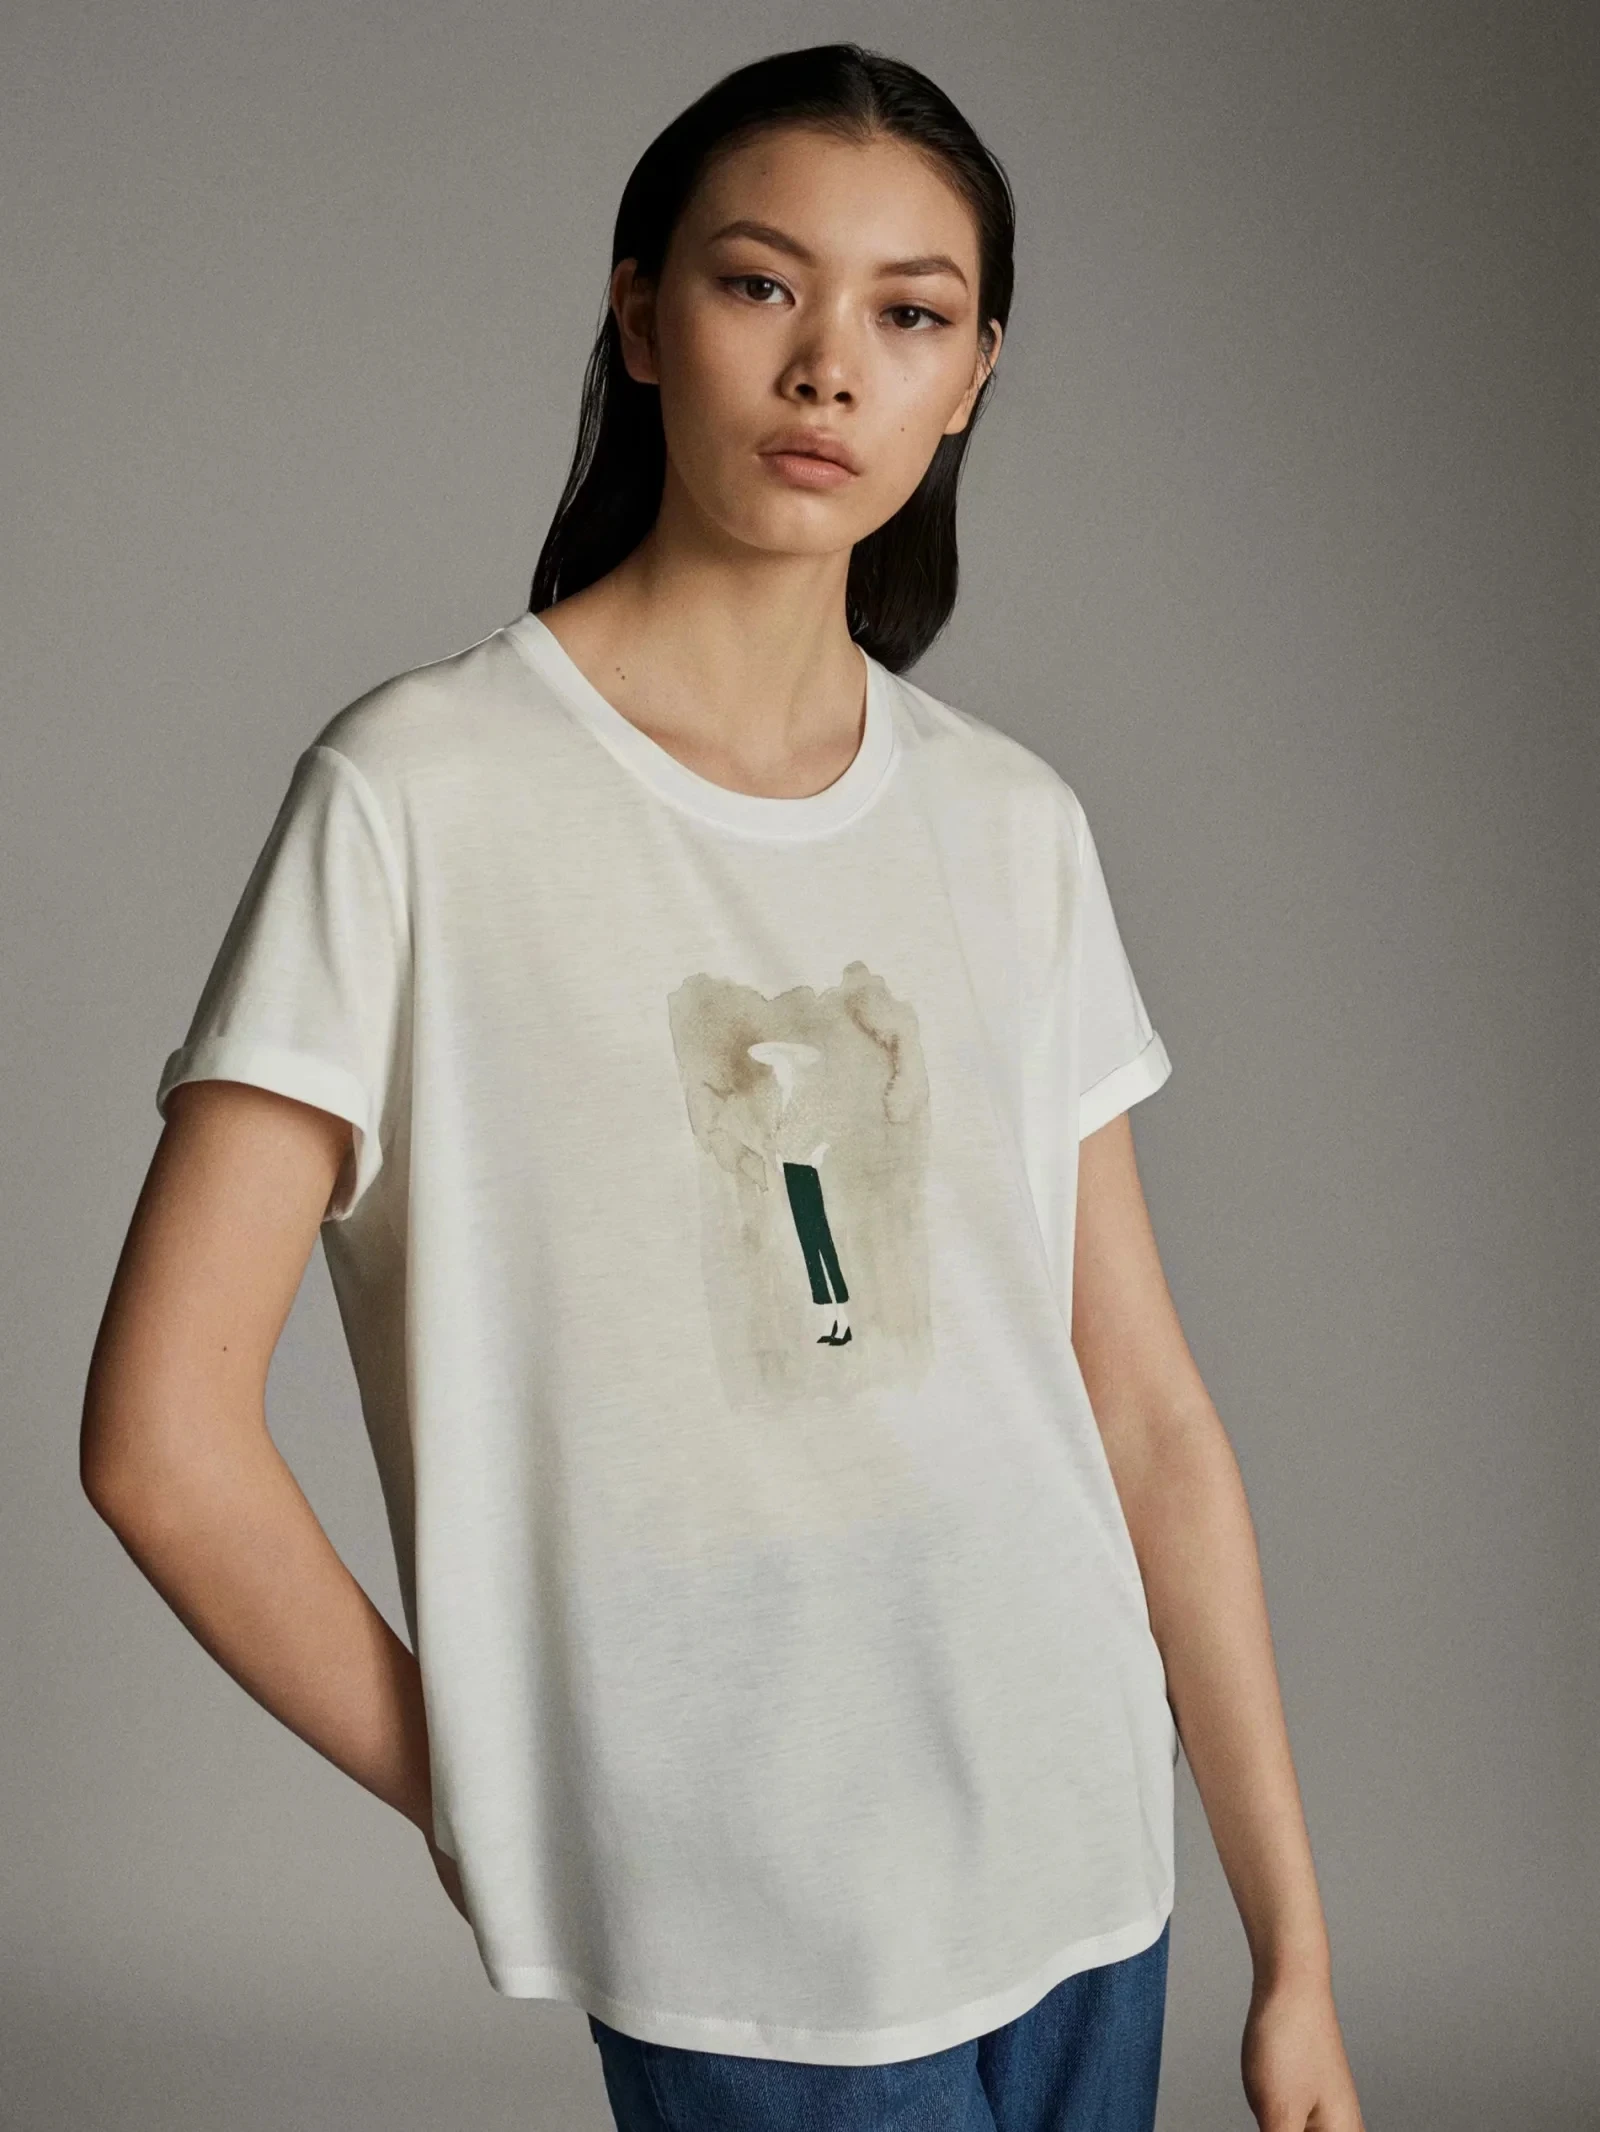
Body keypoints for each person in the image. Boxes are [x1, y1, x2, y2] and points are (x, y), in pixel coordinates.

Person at [80, 41, 1368, 2132]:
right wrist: (502, 1791)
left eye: (911, 312)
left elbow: (1142, 1411)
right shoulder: (420, 799)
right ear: (640, 315)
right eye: (761, 283)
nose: (829, 365)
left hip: (1080, 1847)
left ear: (971, 377)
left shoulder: (1009, 825)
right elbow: (160, 1438)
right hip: (744, 1913)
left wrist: (1292, 1948)